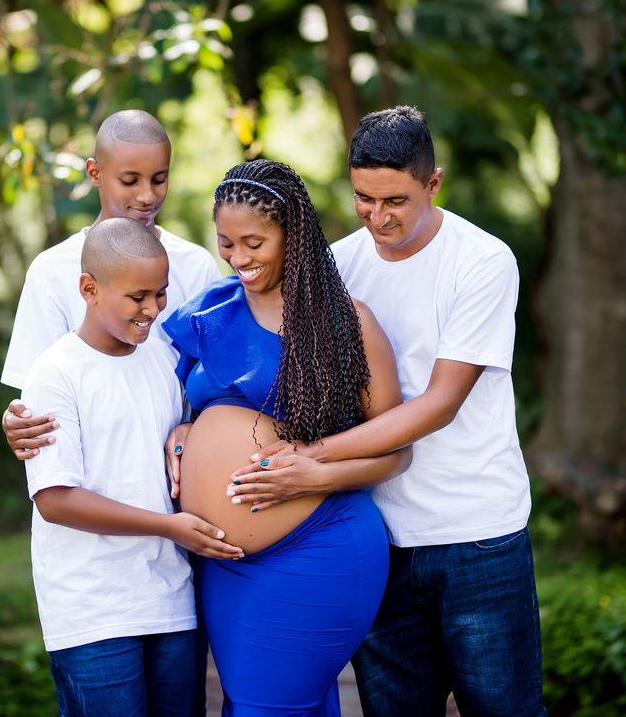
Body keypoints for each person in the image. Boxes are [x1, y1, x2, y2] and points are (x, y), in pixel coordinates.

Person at [231, 107, 545, 717]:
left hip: (475, 535)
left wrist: (314, 458)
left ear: (433, 184)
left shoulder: (482, 261)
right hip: (374, 537)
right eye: (363, 199)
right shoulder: (337, 267)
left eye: (395, 200)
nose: (378, 217)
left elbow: (439, 403)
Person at [163, 159, 411, 715]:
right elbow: (184, 402)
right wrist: (183, 429)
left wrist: (315, 473)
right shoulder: (208, 313)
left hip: (316, 544)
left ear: (291, 235)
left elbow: (396, 448)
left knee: (264, 707)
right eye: (226, 243)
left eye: (254, 242)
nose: (239, 258)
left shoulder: (344, 323)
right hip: (221, 559)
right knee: (265, 702)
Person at [21, 217, 243, 717]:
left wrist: (189, 431)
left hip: (170, 600)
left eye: (161, 294)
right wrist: (169, 527)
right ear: (89, 289)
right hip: (93, 609)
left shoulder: (162, 360)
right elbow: (55, 500)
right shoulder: (54, 375)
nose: (153, 310)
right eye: (137, 297)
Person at [1, 110, 221, 466]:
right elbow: (36, 396)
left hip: (182, 474)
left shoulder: (196, 266)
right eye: (130, 181)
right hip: (95, 472)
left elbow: (217, 381)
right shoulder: (51, 271)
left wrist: (193, 429)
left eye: (159, 179)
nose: (148, 196)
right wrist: (15, 419)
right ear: (95, 174)